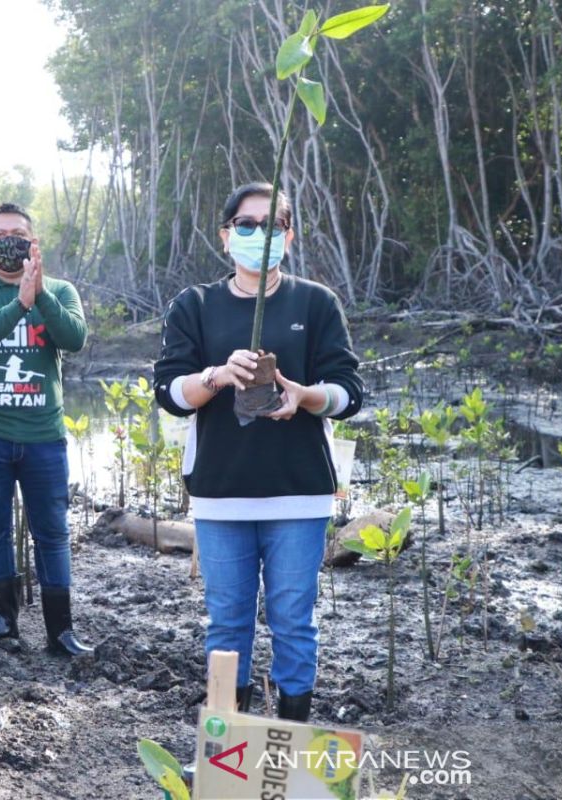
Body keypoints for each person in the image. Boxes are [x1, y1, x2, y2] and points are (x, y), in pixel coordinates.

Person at [153, 182, 363, 721]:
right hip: (222, 493)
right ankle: (226, 747)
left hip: (299, 494)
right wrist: (217, 376)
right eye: (246, 225)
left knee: (295, 619)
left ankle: (291, 739)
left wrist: (304, 395)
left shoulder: (316, 302)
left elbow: (348, 393)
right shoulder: (195, 305)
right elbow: (171, 394)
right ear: (226, 237)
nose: (258, 235)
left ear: (288, 236)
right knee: (227, 622)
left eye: (271, 225)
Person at [0, 202, 92, 656]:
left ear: (34, 244)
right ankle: (3, 619)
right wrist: (19, 304)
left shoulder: (62, 291)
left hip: (42, 435)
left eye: (19, 234)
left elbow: (75, 338)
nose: (9, 241)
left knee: (53, 532)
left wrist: (39, 295)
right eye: (0, 234)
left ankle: (60, 630)